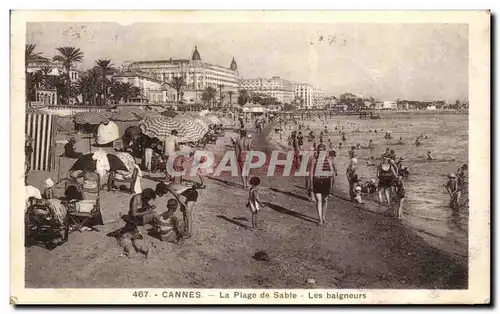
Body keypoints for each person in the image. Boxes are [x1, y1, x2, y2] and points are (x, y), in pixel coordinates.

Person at [310, 144, 334, 226]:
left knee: (325, 200)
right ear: (317, 151)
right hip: (317, 181)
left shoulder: (329, 160)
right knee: (319, 200)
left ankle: (323, 217)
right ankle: (320, 219)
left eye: (322, 150)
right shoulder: (314, 160)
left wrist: (331, 183)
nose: (321, 152)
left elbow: (332, 172)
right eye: (319, 150)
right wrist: (311, 186)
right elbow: (311, 173)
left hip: (326, 181)